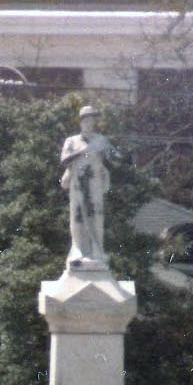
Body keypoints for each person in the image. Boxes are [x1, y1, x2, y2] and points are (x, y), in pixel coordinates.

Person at [60, 105, 116, 267]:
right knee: (77, 216)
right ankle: (77, 250)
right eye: (86, 120)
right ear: (81, 122)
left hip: (95, 182)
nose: (89, 123)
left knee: (96, 216)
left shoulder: (101, 140)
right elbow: (64, 160)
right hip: (78, 182)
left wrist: (106, 152)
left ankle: (97, 249)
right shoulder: (71, 141)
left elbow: (114, 159)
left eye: (92, 120)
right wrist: (84, 151)